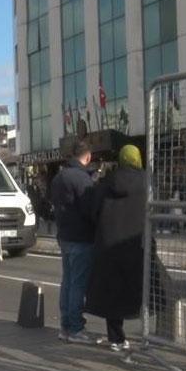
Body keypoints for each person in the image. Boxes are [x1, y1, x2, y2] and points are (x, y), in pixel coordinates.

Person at [85, 145, 148, 352]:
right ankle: (148, 336)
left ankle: (116, 338)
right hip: (136, 243)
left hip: (109, 244)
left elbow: (93, 212)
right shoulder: (147, 182)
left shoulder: (107, 182)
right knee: (142, 287)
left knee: (112, 292)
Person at [50, 140, 99, 344]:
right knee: (78, 284)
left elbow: (50, 202)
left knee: (68, 282)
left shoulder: (59, 177)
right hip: (81, 237)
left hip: (64, 235)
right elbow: (91, 210)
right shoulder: (83, 179)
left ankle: (65, 326)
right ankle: (76, 329)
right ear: (87, 157)